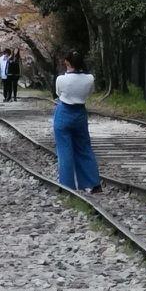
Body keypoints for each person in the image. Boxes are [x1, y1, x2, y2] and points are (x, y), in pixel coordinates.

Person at [53, 53, 103, 193]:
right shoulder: (89, 79)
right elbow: (90, 93)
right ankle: (93, 184)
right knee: (84, 147)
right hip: (80, 113)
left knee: (64, 150)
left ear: (68, 63)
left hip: (63, 112)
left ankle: (67, 185)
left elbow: (58, 93)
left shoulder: (61, 79)